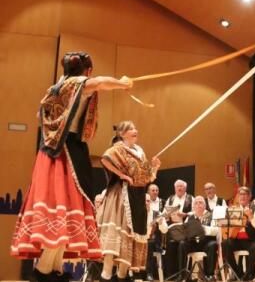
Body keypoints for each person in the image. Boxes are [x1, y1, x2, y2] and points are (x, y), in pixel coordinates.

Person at [10, 51, 132, 282]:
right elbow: (99, 83)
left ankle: (53, 269)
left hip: (51, 153)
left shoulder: (55, 89)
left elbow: (41, 114)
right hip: (66, 153)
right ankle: (43, 271)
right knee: (65, 210)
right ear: (86, 71)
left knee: (64, 214)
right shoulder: (77, 84)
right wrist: (122, 83)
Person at [97, 121, 161, 281]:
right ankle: (105, 275)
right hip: (121, 196)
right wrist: (122, 175)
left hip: (137, 197)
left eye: (135, 128)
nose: (135, 130)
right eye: (131, 128)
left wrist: (154, 167)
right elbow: (105, 159)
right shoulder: (119, 148)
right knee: (118, 233)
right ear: (122, 133)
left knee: (131, 238)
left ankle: (122, 276)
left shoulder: (140, 152)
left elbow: (145, 177)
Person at [221, 186, 255, 281]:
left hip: (251, 239)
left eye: (245, 194)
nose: (242, 197)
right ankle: (238, 273)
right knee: (225, 244)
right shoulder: (233, 209)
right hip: (236, 240)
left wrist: (251, 216)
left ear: (249, 196)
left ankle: (248, 275)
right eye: (240, 194)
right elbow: (227, 226)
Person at [176, 196, 218, 281]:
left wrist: (201, 228)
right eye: (196, 203)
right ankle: (182, 274)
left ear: (205, 205)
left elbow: (215, 231)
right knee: (182, 244)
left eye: (200, 202)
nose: (198, 205)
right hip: (193, 242)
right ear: (193, 207)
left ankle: (209, 275)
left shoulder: (211, 215)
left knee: (213, 245)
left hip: (206, 242)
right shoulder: (190, 217)